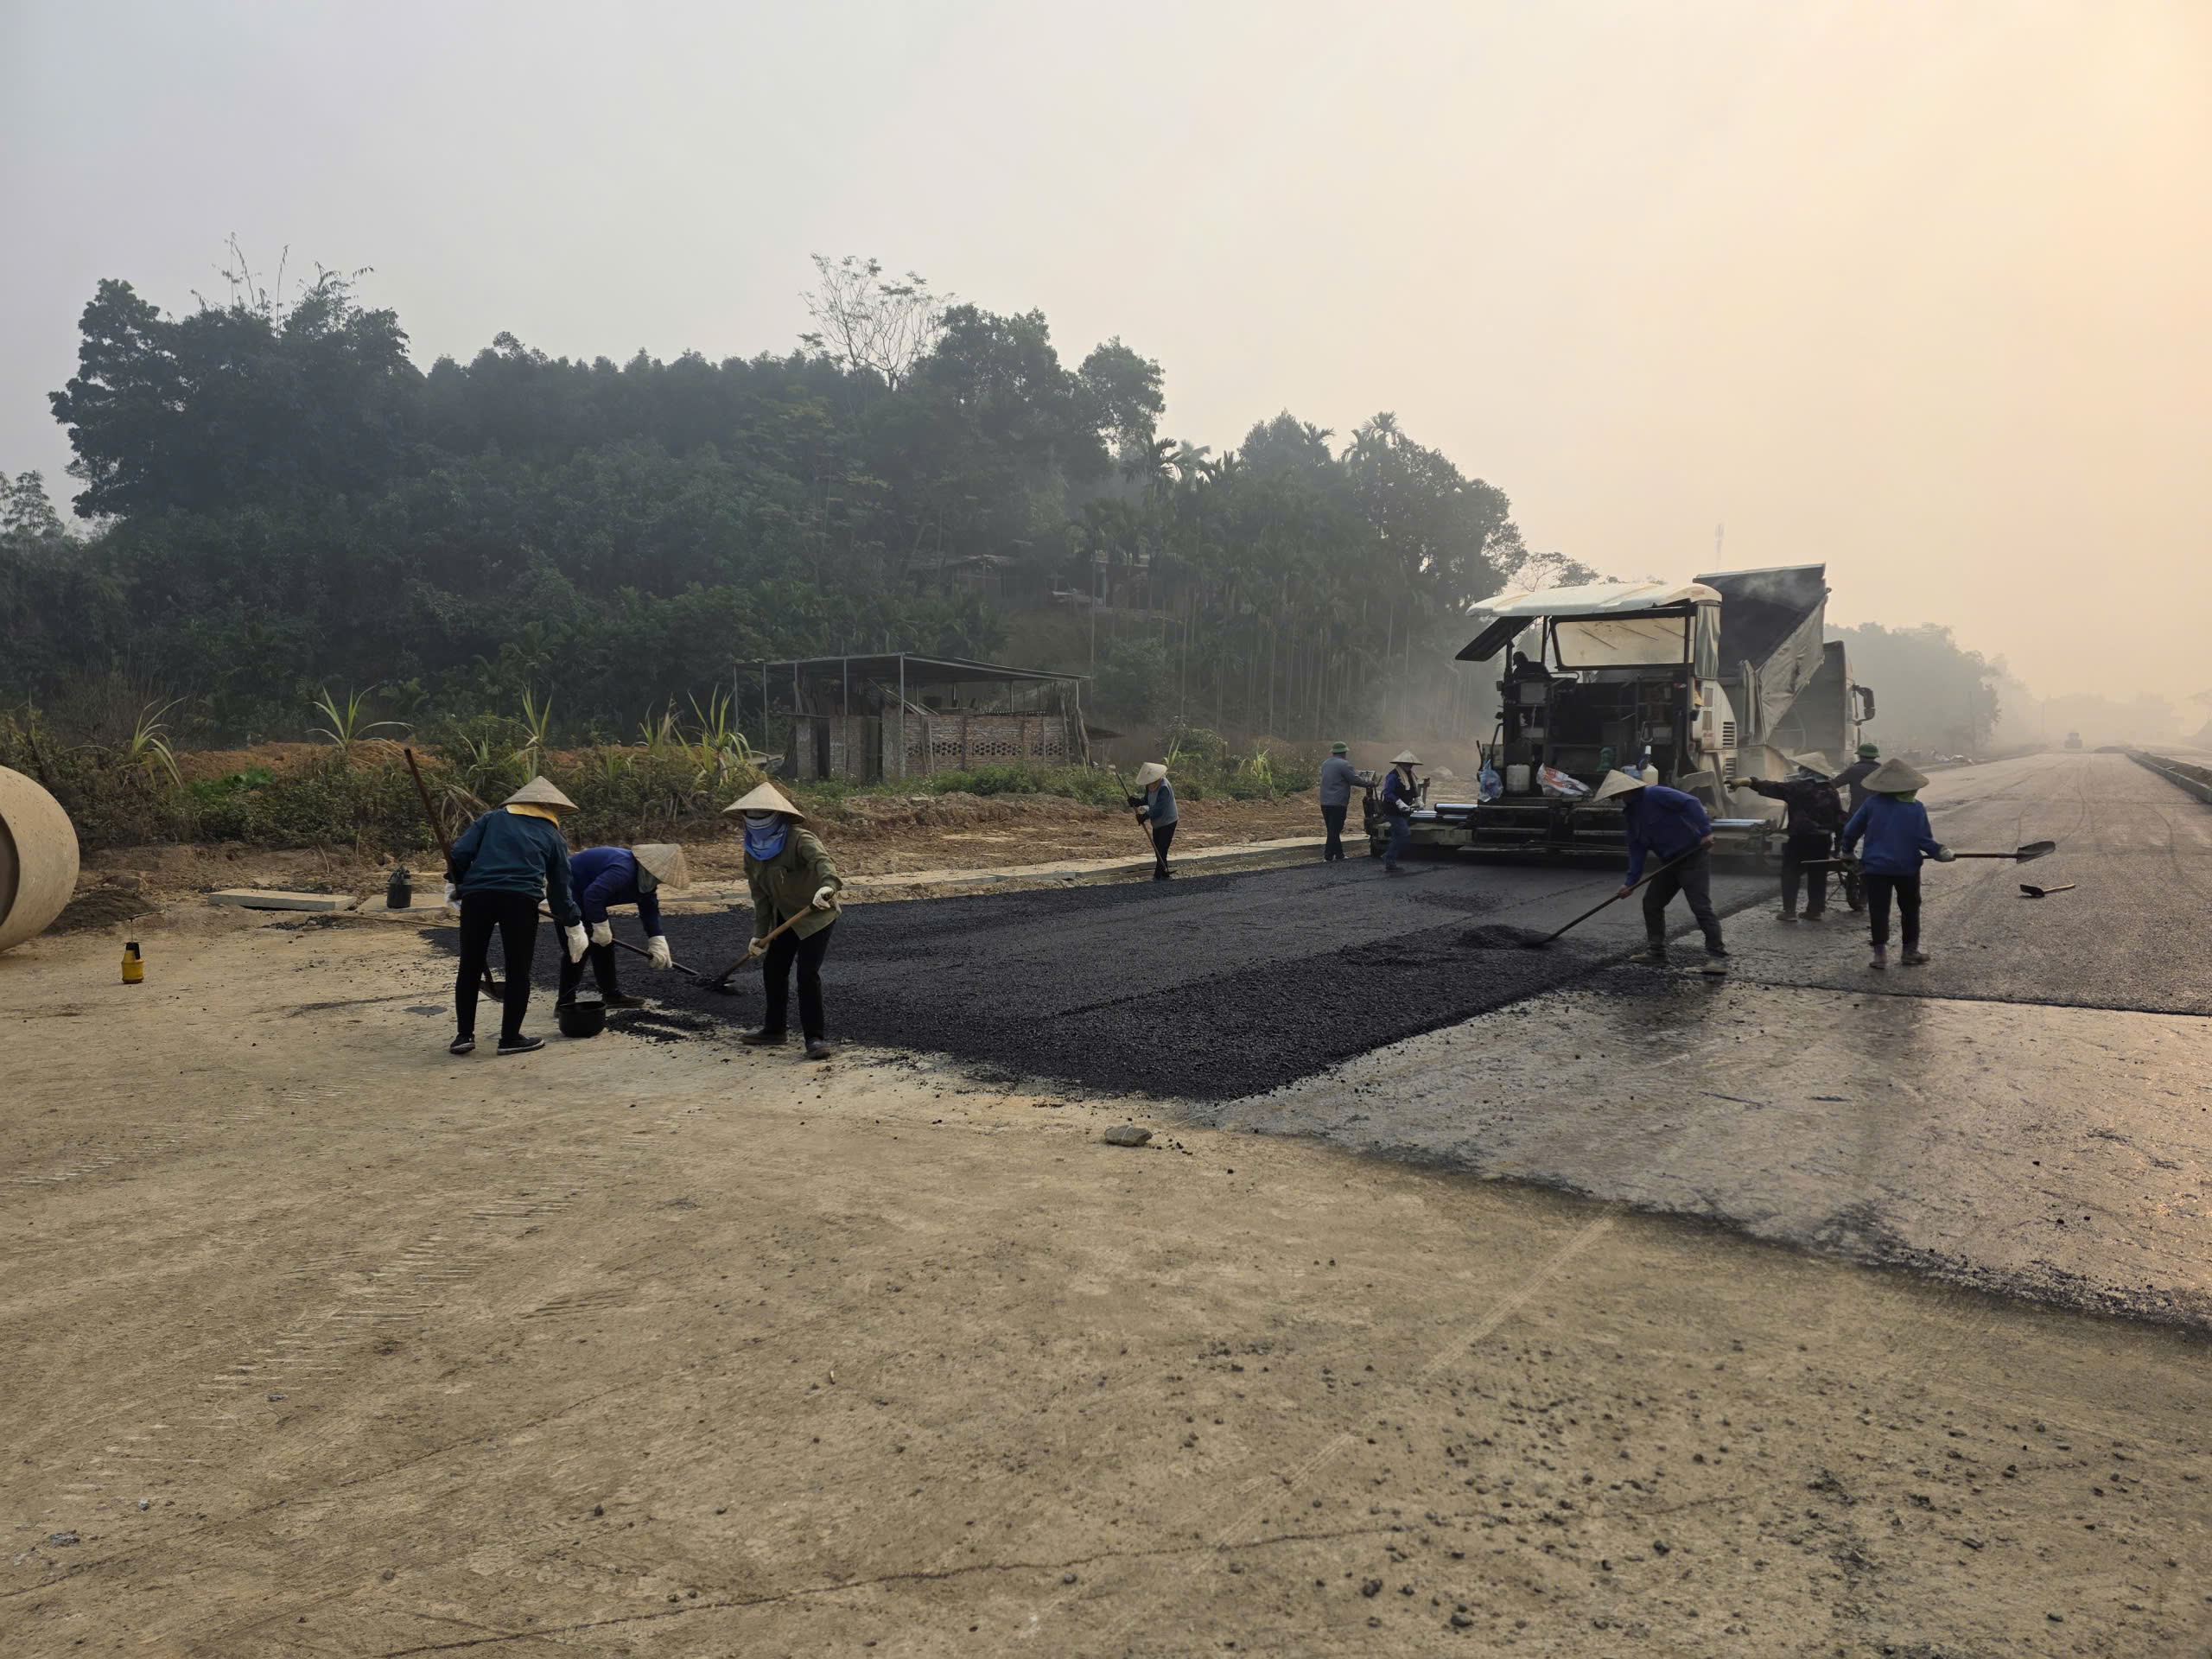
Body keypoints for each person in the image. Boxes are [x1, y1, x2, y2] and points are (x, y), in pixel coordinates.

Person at [446, 775, 587, 1057]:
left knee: (470, 965)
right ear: (550, 807)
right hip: (520, 902)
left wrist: (455, 882)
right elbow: (560, 891)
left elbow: (460, 852)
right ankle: (510, 1038)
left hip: (478, 897)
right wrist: (573, 923)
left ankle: (464, 1036)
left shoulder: (492, 818)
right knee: (518, 970)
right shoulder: (553, 837)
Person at [725, 782, 842, 1058]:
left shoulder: (800, 839)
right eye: (750, 817)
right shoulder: (752, 852)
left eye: (761, 816)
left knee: (806, 974)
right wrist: (759, 933)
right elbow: (761, 897)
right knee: (774, 970)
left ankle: (815, 1038)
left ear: (777, 817)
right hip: (785, 917)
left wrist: (827, 887)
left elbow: (824, 864)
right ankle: (774, 1030)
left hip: (816, 913)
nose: (755, 822)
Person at [1592, 768, 1727, 972]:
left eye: (1620, 795)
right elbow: (1637, 850)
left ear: (1630, 789)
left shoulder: (1656, 794)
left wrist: (1706, 832)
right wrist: (1630, 883)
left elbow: (1691, 803)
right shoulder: (1631, 815)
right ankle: (1656, 952)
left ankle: (1717, 958)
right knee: (1652, 903)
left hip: (1692, 857)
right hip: (1669, 862)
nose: (1619, 799)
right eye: (1616, 797)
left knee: (1700, 907)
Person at [1838, 757, 1954, 971]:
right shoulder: (1916, 808)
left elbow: (1851, 830)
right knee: (1910, 909)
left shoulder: (1871, 804)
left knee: (1879, 910)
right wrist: (1940, 852)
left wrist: (1847, 852)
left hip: (1875, 869)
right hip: (1907, 868)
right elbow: (1924, 840)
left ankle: (1880, 955)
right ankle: (1910, 951)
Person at [559, 842, 689, 1009]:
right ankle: (565, 1003)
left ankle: (611, 995)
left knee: (605, 944)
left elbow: (649, 909)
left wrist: (657, 940)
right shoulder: (623, 870)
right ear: (650, 867)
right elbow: (593, 896)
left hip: (589, 896)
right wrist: (600, 925)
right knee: (577, 947)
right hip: (568, 893)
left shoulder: (646, 881)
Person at [1733, 764, 1845, 922]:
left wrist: (1751, 781)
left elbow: (1773, 787)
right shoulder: (1831, 791)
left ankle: (1789, 912)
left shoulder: (1798, 788)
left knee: (1791, 872)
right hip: (1822, 840)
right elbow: (1839, 818)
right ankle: (1814, 911)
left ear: (1806, 772)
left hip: (1800, 838)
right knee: (1818, 875)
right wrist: (1840, 844)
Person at [1828, 742, 1882, 912]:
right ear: (1875, 756)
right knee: (1872, 853)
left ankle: (1850, 872)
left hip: (1857, 816)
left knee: (1849, 847)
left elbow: (1833, 785)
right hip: (1879, 817)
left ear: (1859, 755)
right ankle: (1866, 891)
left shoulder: (1853, 770)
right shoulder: (1882, 770)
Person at [1131, 761, 1177, 879]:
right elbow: (1147, 800)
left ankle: (1158, 875)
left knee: (1162, 848)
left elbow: (1159, 809)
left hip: (1168, 821)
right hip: (1157, 823)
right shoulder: (1150, 786)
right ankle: (1164, 873)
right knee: (1157, 848)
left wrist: (1145, 816)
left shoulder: (1164, 787)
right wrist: (1136, 801)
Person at [1380, 751, 1422, 874]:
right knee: (1404, 834)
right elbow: (1388, 793)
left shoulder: (1410, 775)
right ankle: (1389, 856)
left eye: (1411, 764)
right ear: (1400, 763)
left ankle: (1389, 861)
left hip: (1405, 810)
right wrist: (1398, 802)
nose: (1409, 766)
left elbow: (1413, 790)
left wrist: (1418, 799)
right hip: (1393, 810)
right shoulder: (1393, 776)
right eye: (1406, 764)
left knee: (1396, 835)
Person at [1317, 741, 1360, 862]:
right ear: (1344, 753)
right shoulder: (1344, 765)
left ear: (1333, 752)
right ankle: (1328, 856)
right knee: (1335, 830)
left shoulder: (1324, 764)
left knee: (1332, 830)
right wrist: (1369, 783)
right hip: (1338, 803)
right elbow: (1354, 780)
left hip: (1325, 802)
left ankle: (1339, 854)